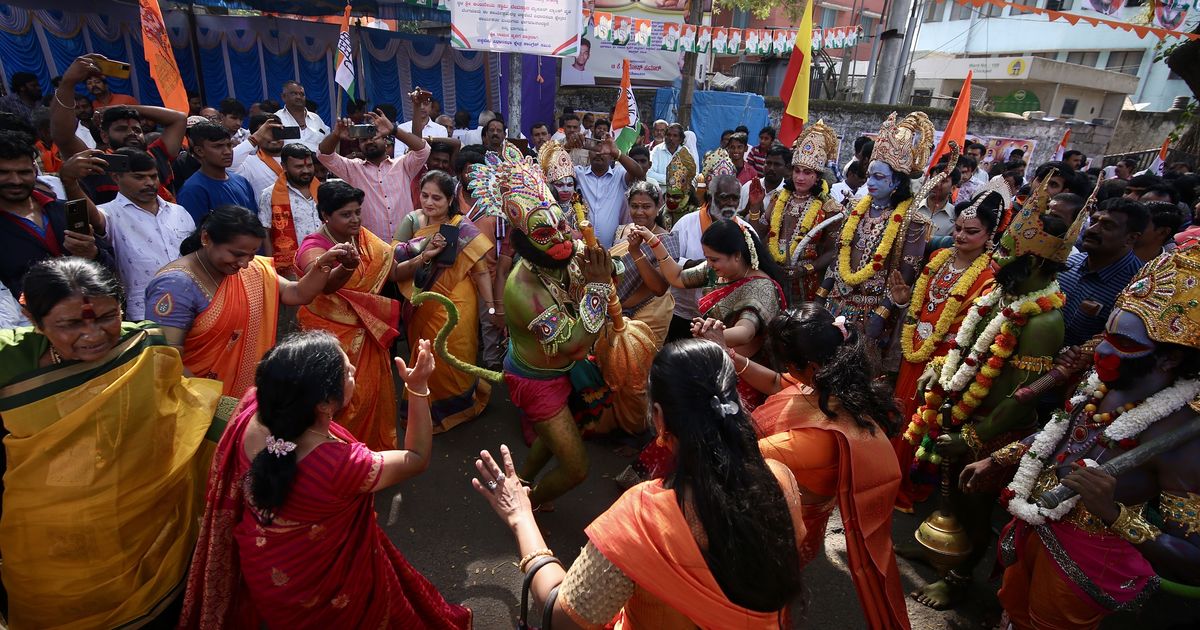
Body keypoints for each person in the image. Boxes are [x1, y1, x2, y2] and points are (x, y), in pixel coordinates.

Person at [473, 339, 806, 628]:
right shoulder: (780, 480)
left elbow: (562, 617)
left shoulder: (645, 516)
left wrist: (520, 516)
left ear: (659, 419)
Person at [961, 243, 1200, 629]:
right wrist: (997, 458)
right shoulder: (1102, 382)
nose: (1103, 348)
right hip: (1031, 525)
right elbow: (1059, 432)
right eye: (1107, 333)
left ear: (1170, 359)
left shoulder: (1182, 436)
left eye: (1123, 344)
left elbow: (1192, 557)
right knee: (1011, 612)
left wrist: (1113, 513)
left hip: (1087, 560)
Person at [178, 332, 471, 628]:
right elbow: (416, 457)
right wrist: (418, 387)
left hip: (267, 577)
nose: (354, 369)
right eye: (345, 370)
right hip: (326, 597)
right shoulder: (341, 466)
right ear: (324, 404)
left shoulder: (252, 411)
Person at [0, 257, 223, 628]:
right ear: (33, 320)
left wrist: (261, 417)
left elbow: (188, 400)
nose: (94, 335)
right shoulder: (10, 360)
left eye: (107, 316)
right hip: (50, 529)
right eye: (70, 324)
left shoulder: (144, 344)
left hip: (146, 522)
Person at [900, 198, 1080, 610]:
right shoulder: (1005, 292)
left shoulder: (1043, 320)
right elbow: (968, 343)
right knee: (948, 490)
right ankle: (939, 548)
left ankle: (959, 577)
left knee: (974, 504)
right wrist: (942, 368)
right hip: (960, 404)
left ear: (1035, 265)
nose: (996, 262)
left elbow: (1022, 397)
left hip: (993, 427)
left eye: (1007, 256)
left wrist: (971, 436)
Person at [697, 304, 910, 628]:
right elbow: (777, 384)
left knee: (754, 598)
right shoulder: (835, 386)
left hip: (775, 531)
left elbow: (737, 455)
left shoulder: (812, 442)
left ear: (809, 367)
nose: (785, 371)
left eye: (787, 362)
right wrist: (731, 356)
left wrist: (716, 371)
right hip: (799, 521)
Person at [471, 146, 617, 506]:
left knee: (548, 439)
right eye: (545, 234)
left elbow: (598, 271)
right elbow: (573, 344)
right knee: (578, 467)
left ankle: (521, 481)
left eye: (561, 226)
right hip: (537, 381)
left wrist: (612, 265)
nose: (562, 239)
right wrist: (598, 285)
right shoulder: (524, 289)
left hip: (558, 370)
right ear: (521, 240)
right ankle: (527, 506)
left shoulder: (559, 255)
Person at [145, 205, 352, 397]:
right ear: (206, 238)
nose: (244, 264)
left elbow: (297, 293)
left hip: (240, 400)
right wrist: (214, 405)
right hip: (193, 404)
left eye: (252, 255)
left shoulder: (253, 270)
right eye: (237, 254)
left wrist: (323, 265)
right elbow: (166, 358)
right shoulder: (175, 285)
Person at [888, 182, 1001, 512]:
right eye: (958, 228)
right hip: (915, 348)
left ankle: (910, 484)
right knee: (901, 409)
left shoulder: (989, 277)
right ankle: (889, 474)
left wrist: (947, 360)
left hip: (946, 359)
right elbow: (920, 305)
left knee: (927, 420)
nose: (962, 236)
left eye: (972, 231)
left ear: (990, 234)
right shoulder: (937, 257)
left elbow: (974, 328)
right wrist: (903, 302)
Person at [296, 180, 424, 451]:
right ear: (325, 216)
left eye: (357, 212)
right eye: (346, 214)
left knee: (370, 395)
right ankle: (337, 458)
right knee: (338, 401)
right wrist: (345, 267)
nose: (355, 219)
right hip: (332, 340)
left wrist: (424, 258)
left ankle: (370, 454)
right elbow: (325, 284)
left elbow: (395, 272)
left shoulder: (365, 239)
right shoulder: (313, 247)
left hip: (368, 335)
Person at [648, 218, 786, 413]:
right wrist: (653, 242)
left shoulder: (761, 287)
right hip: (713, 361)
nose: (709, 263)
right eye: (707, 257)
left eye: (714, 259)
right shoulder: (718, 271)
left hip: (743, 374)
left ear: (737, 256)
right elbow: (677, 277)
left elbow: (745, 332)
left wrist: (712, 335)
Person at [819, 112, 932, 345]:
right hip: (836, 301)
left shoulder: (912, 222)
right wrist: (821, 295)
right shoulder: (854, 209)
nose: (870, 182)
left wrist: (881, 314)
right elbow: (839, 256)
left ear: (897, 182)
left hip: (871, 309)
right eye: (870, 176)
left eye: (879, 177)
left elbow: (905, 275)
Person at [394, 170, 495, 432]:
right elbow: (393, 257)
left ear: (451, 199)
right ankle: (426, 408)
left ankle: (459, 406)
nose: (429, 202)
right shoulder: (413, 221)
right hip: (421, 298)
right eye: (425, 196)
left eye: (437, 198)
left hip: (459, 299)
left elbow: (481, 270)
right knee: (426, 352)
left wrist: (493, 307)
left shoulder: (464, 228)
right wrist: (423, 251)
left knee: (455, 350)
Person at [90, 148, 196, 320]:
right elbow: (94, 218)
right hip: (144, 314)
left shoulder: (179, 212)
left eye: (153, 176)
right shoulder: (108, 213)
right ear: (116, 177)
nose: (149, 183)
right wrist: (71, 182)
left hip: (193, 305)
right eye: (139, 177)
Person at [0, 131, 108, 297]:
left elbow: (110, 265)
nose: (15, 180)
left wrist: (92, 253)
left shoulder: (64, 210)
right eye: (4, 173)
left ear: (35, 172)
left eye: (23, 172)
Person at [758, 121, 842, 304]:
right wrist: (756, 207)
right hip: (774, 274)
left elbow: (832, 251)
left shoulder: (829, 208)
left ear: (817, 176)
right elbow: (761, 233)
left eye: (807, 172)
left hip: (807, 282)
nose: (800, 177)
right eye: (797, 171)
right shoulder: (778, 198)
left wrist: (806, 269)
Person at [318, 103, 429, 240]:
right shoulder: (353, 169)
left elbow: (423, 150)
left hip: (406, 246)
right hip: (372, 250)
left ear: (385, 139)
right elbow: (324, 155)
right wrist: (336, 135)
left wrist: (394, 130)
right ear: (359, 145)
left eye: (373, 136)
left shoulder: (403, 165)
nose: (369, 142)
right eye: (363, 140)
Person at [1059, 197, 1148, 348]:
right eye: (1093, 221)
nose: (1092, 230)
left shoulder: (1138, 287)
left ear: (1131, 238)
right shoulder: (1068, 264)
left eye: (1107, 226)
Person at [613, 180, 676, 345]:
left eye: (646, 207)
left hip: (647, 315)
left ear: (657, 208)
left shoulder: (666, 240)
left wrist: (636, 252)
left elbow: (658, 287)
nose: (639, 212)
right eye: (634, 206)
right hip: (613, 311)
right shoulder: (623, 230)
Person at [253, 142, 320, 275]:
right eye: (299, 167)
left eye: (309, 165)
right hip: (289, 269)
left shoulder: (323, 191)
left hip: (324, 260)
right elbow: (265, 231)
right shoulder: (269, 194)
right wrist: (271, 268)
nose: (306, 171)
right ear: (284, 166)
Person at [175, 122, 258, 223]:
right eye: (218, 146)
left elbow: (254, 222)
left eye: (229, 145)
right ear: (199, 151)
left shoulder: (242, 181)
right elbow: (195, 234)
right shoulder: (192, 190)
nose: (227, 151)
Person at [575, 131, 645, 248]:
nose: (599, 152)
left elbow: (639, 174)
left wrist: (617, 152)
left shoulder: (619, 175)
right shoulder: (578, 173)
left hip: (612, 249)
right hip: (582, 247)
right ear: (588, 153)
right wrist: (568, 145)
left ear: (611, 156)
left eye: (603, 149)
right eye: (595, 148)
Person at [231, 113, 284, 191]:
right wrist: (253, 139)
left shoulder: (295, 158)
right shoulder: (248, 162)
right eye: (266, 132)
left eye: (276, 131)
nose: (272, 136)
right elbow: (228, 166)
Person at [273, 81, 328, 151]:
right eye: (294, 94)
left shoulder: (316, 118)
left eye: (302, 94)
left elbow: (327, 143)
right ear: (283, 97)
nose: (299, 97)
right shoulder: (276, 118)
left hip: (317, 161)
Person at [393, 87, 447, 158]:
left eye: (425, 103)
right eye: (418, 103)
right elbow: (398, 156)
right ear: (412, 105)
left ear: (431, 106)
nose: (422, 107)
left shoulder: (441, 130)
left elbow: (442, 155)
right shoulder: (402, 128)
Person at [917, 158, 964, 239]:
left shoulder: (956, 216)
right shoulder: (912, 207)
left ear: (953, 188)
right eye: (933, 179)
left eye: (943, 181)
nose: (935, 184)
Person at [660, 137, 699, 229]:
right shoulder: (661, 213)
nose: (671, 200)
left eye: (676, 197)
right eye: (669, 196)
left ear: (687, 194)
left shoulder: (696, 215)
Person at [739, 144, 789, 218]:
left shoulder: (788, 194)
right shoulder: (748, 186)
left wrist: (761, 211)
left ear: (786, 167)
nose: (771, 168)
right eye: (768, 163)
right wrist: (748, 208)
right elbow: (737, 217)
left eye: (777, 164)